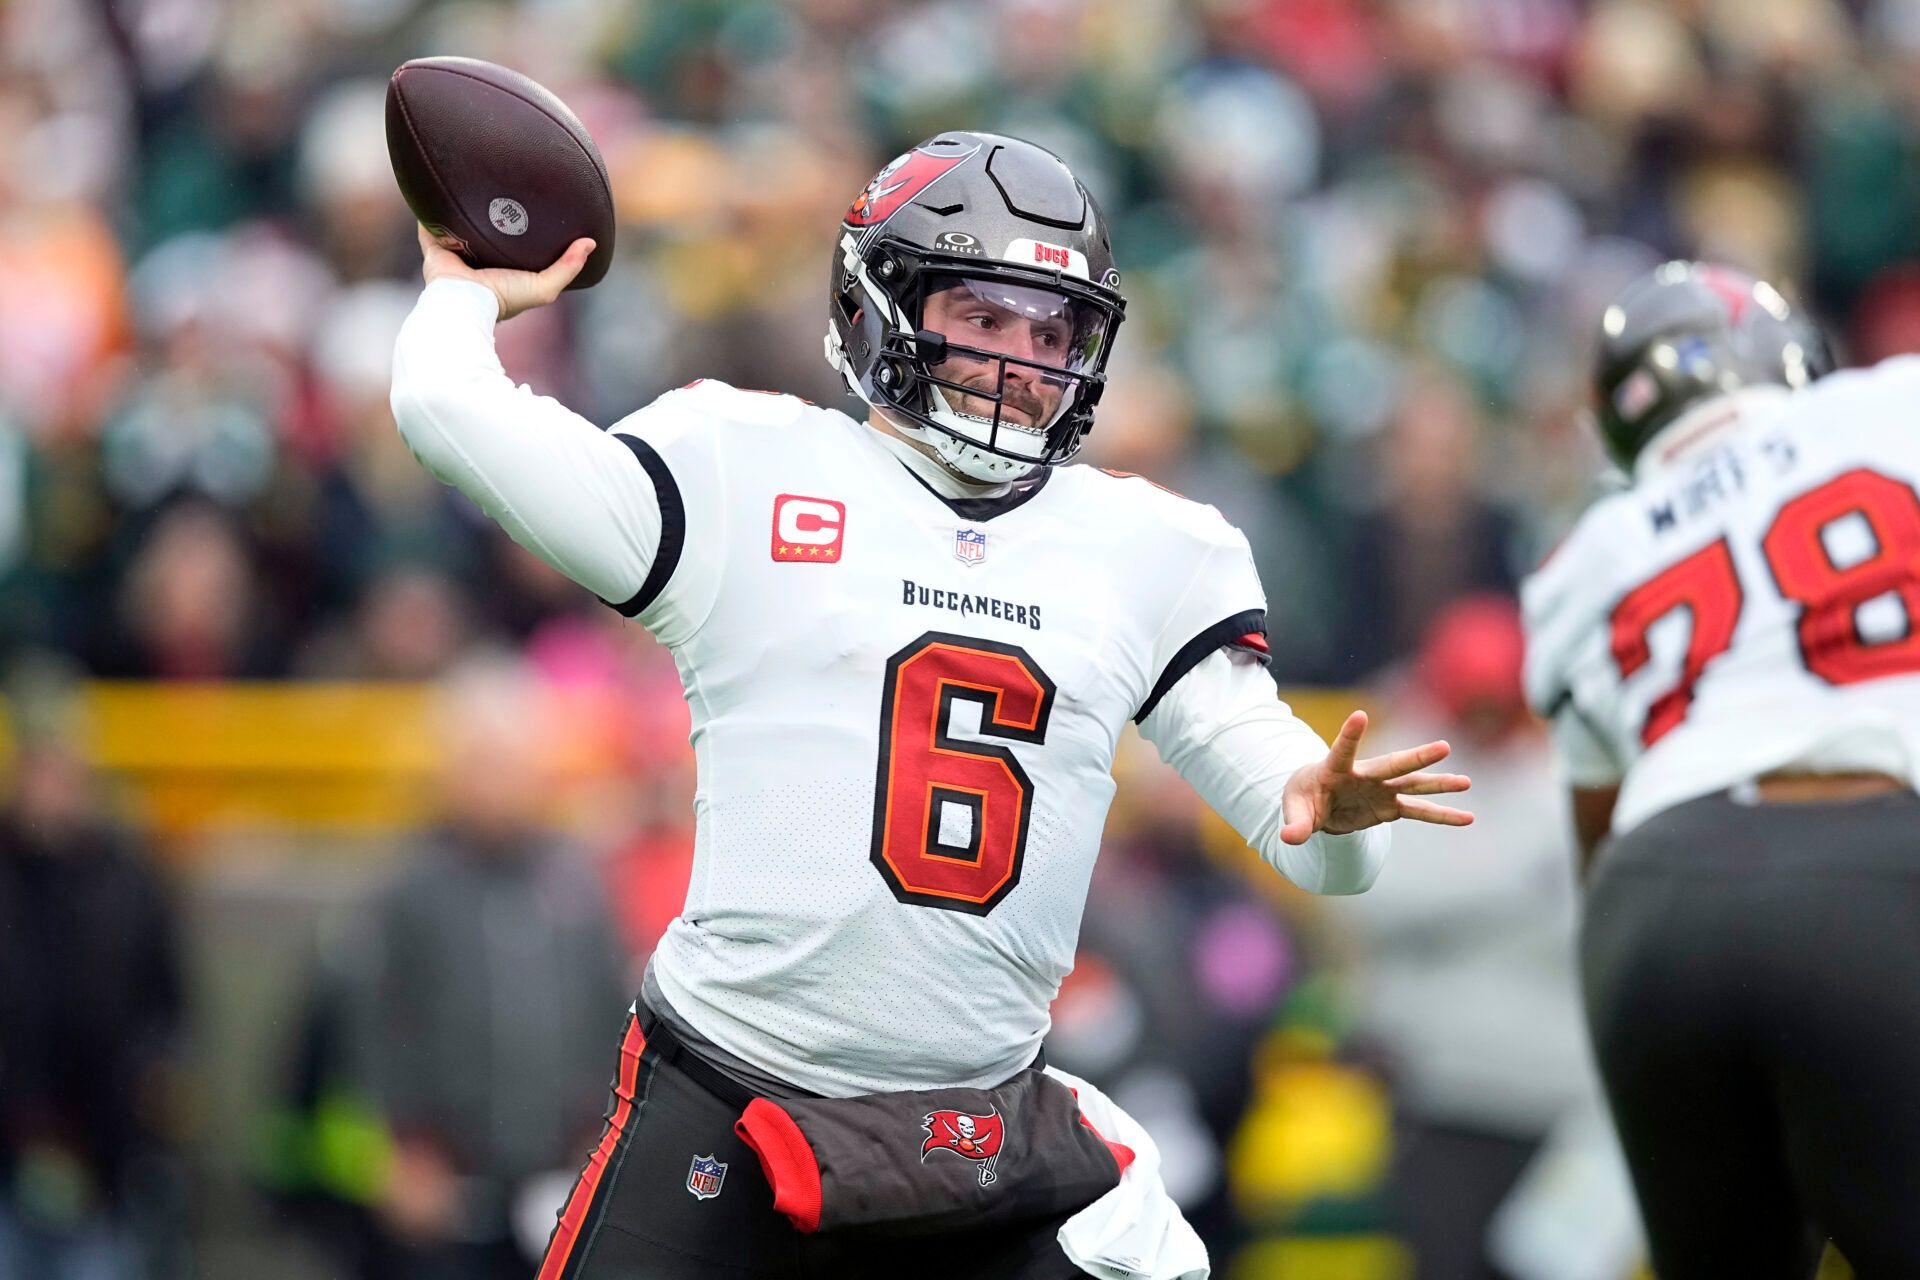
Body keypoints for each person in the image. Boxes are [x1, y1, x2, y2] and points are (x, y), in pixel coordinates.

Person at [389, 131, 1473, 1280]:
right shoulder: (743, 467)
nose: (1019, 360)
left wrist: (1333, 813)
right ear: (879, 307)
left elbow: (1311, 837)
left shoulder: (1152, 547)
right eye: (983, 316)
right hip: (727, 1087)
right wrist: (464, 294)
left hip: (975, 1142)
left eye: (1050, 329)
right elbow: (445, 406)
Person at [1522, 260, 1920, 1277]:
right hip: (1863, 858)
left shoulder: (1578, 564)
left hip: (1652, 912)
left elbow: (1597, 844)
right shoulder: (1891, 408)